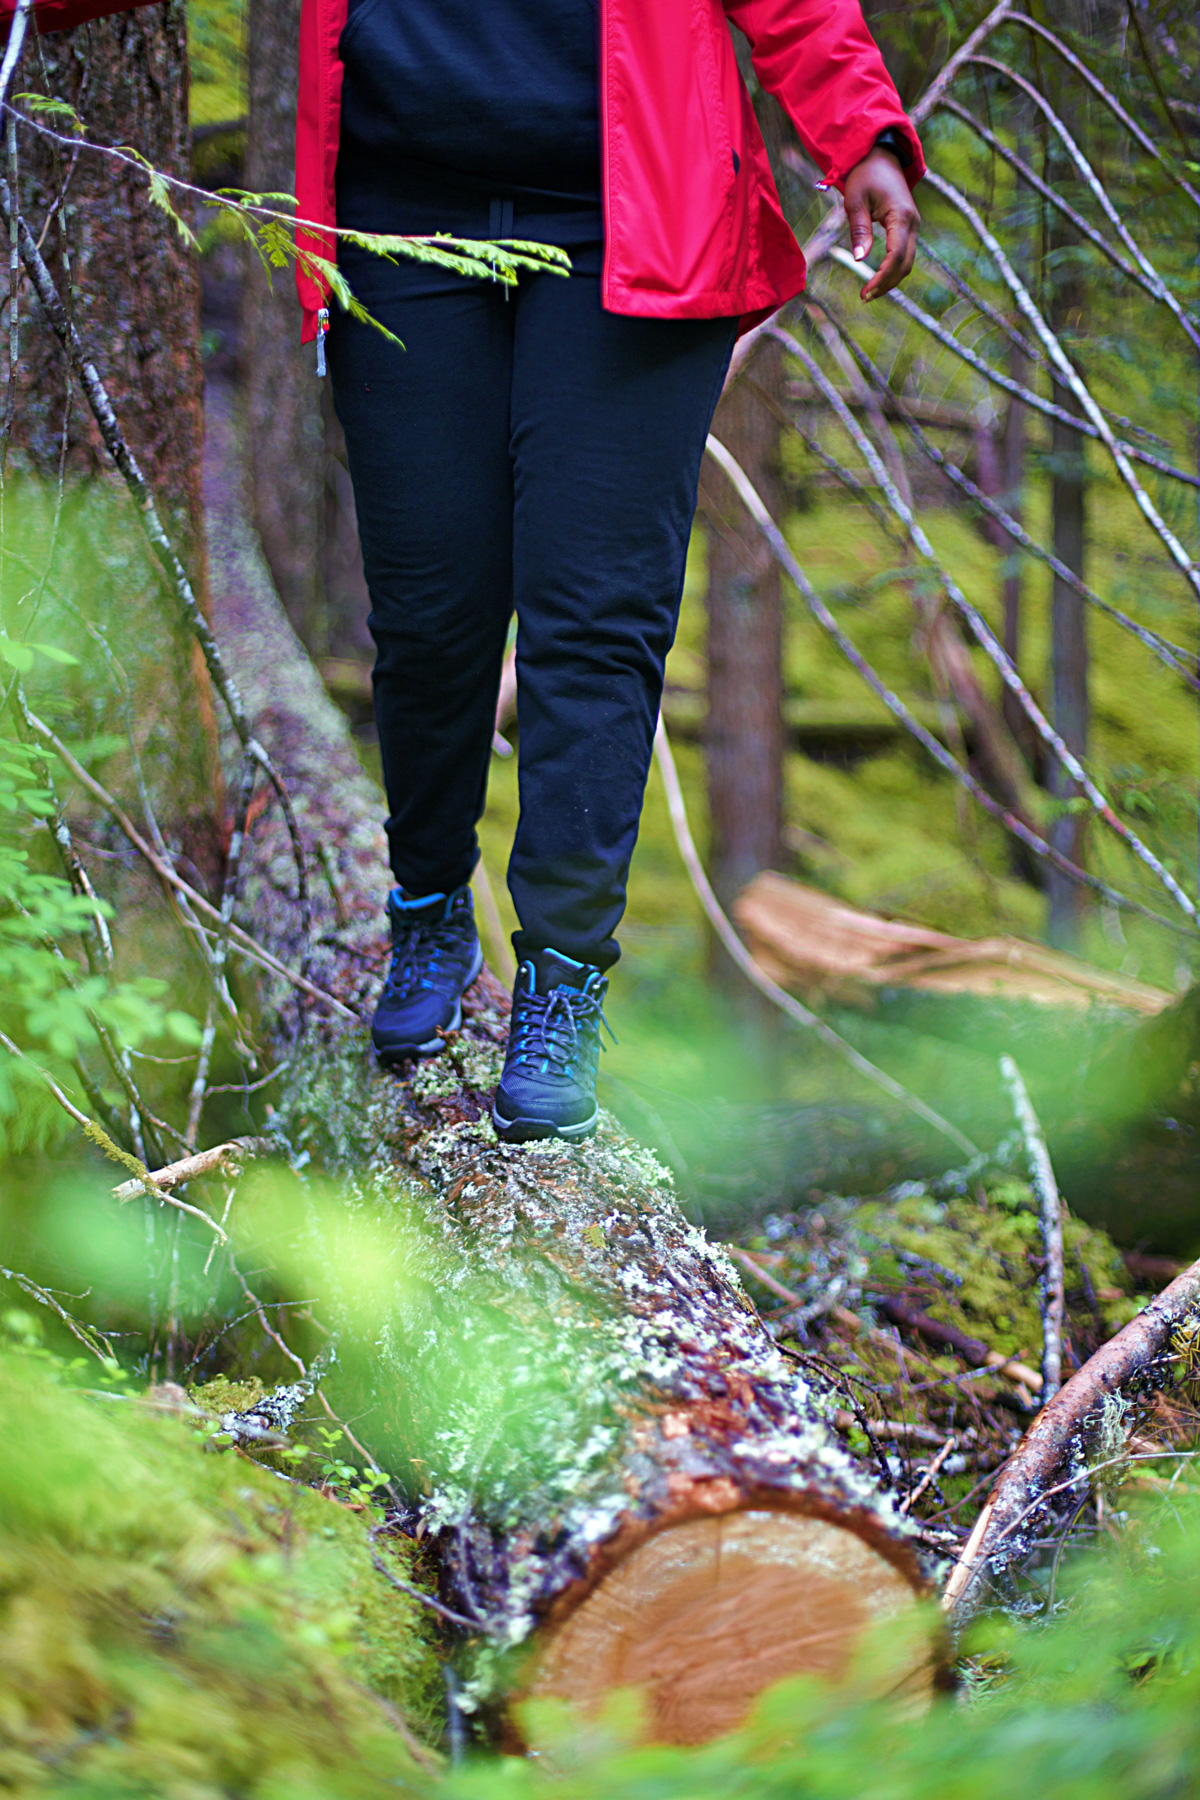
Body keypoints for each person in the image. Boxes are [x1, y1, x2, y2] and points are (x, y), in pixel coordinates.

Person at [6, 0, 923, 1147]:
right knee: (432, 614)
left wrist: (863, 134)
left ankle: (563, 981)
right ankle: (430, 905)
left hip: (634, 223)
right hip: (400, 227)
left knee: (596, 620)